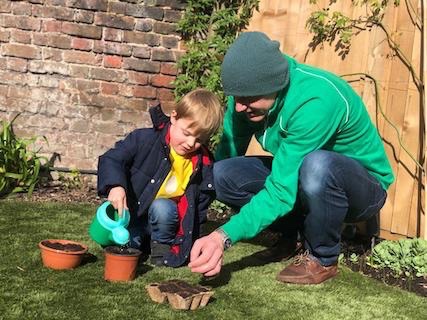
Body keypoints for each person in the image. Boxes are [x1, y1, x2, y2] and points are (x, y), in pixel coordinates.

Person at [188, 31, 394, 284]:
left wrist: (223, 236)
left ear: (273, 85)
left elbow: (280, 192)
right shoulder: (245, 97)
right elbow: (226, 157)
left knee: (317, 165)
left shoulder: (316, 100)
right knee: (221, 175)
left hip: (362, 190)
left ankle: (323, 257)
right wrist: (191, 213)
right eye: (235, 97)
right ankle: (294, 236)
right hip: (304, 175)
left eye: (247, 99)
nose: (238, 107)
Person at [97, 88, 223, 267]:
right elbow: (112, 159)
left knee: (163, 206)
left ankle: (161, 249)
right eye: (186, 133)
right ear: (174, 117)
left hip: (167, 224)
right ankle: (139, 242)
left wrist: (197, 243)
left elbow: (199, 209)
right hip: (132, 215)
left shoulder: (203, 163)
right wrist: (115, 186)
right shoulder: (144, 139)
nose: (190, 143)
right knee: (124, 247)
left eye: (199, 139)